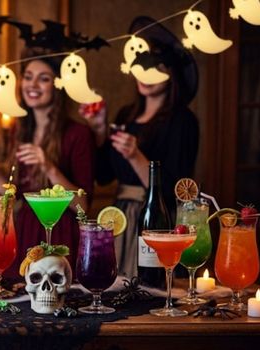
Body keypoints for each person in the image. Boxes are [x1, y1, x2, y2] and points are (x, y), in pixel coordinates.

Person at [80, 16, 200, 278]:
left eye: (157, 67)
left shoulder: (183, 121)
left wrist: (135, 155)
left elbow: (175, 190)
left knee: (150, 290)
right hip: (120, 215)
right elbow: (103, 176)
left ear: (172, 75)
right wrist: (99, 128)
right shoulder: (126, 116)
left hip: (156, 221)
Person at [0, 49, 95, 277]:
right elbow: (11, 195)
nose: (33, 85)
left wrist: (48, 166)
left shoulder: (78, 133)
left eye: (43, 79)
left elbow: (83, 206)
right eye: (28, 76)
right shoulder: (20, 130)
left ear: (57, 85)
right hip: (25, 229)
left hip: (60, 231)